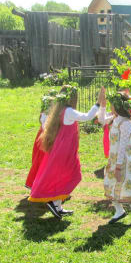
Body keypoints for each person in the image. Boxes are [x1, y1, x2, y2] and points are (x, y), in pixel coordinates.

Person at [29, 85, 103, 219]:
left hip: (60, 150)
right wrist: (98, 103)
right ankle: (53, 202)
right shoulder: (68, 111)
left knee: (62, 176)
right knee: (75, 176)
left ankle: (58, 206)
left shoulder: (58, 110)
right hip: (65, 152)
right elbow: (87, 117)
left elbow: (45, 125)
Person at [98, 89, 131, 226]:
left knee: (127, 184)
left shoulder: (126, 123)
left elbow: (122, 146)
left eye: (111, 105)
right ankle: (119, 211)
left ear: (118, 106)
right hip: (114, 158)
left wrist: (119, 165)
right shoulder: (115, 119)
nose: (110, 107)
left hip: (126, 160)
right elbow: (101, 120)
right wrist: (102, 105)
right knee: (109, 183)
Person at [25, 90, 58, 189]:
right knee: (42, 161)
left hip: (43, 137)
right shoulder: (46, 115)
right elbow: (46, 127)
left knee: (45, 162)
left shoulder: (44, 114)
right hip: (45, 139)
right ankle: (41, 185)